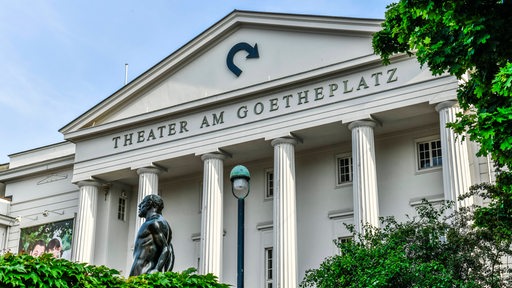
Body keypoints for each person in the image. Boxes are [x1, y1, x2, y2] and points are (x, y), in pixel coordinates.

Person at [129, 194, 174, 276]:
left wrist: (157, 269)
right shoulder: (163, 224)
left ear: (150, 203)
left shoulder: (154, 223)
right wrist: (166, 274)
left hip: (142, 271)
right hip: (144, 270)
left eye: (143, 202)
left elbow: (166, 249)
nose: (139, 205)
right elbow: (170, 252)